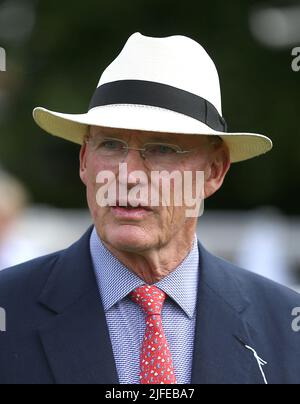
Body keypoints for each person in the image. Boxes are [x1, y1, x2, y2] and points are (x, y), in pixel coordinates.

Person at [0, 33, 299, 385]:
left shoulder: (284, 326)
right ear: (84, 159)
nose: (127, 176)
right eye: (111, 145)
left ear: (215, 171)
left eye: (163, 149)